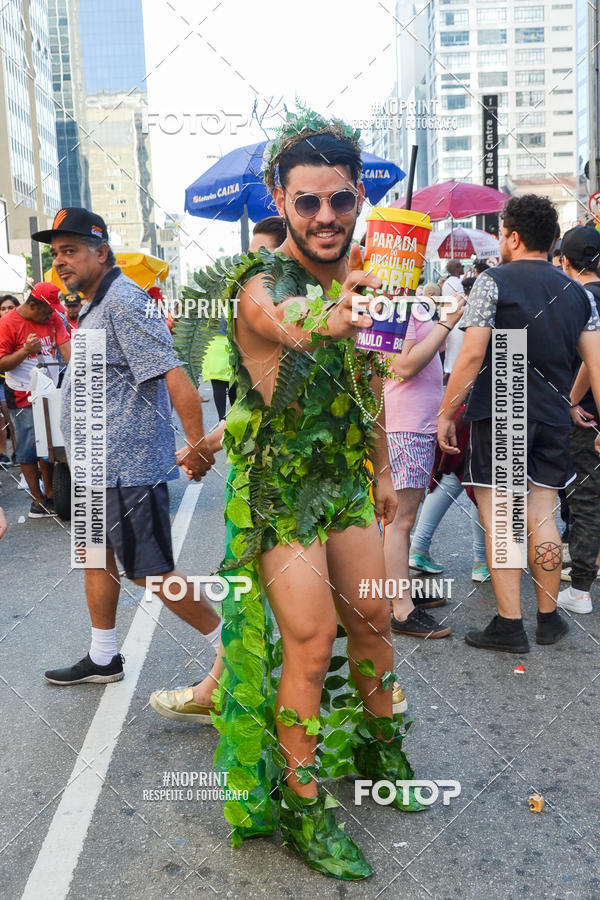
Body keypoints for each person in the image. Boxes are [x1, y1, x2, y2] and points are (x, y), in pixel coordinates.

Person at [153, 111, 424, 880]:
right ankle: (304, 807)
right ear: (281, 199)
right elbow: (281, 323)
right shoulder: (257, 283)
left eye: (339, 200)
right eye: (307, 202)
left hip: (343, 483)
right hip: (280, 498)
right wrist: (331, 315)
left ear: (358, 198)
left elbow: (369, 382)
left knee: (374, 621)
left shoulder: (372, 277)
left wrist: (378, 468)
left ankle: (383, 752)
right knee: (307, 644)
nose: (326, 216)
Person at [31, 207, 221, 687]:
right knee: (94, 557)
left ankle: (233, 650)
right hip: (95, 467)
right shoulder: (93, 303)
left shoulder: (123, 299)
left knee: (149, 572)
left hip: (127, 468)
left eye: (71, 250)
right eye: (56, 254)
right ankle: (103, 657)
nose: (61, 262)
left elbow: (174, 373)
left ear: (101, 252)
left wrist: (197, 446)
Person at [438, 194, 600, 653]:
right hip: (552, 415)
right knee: (544, 515)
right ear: (552, 240)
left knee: (503, 521)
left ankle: (510, 626)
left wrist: (446, 412)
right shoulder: (581, 294)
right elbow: (596, 364)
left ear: (512, 235)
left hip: (503, 409)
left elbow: (471, 355)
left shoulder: (493, 282)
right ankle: (548, 619)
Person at [384, 293, 464, 639]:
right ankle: (401, 609)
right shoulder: (389, 303)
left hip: (413, 422)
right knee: (399, 520)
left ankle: (395, 591)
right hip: (406, 424)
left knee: (398, 520)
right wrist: (446, 322)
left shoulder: (402, 301)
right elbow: (402, 366)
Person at [556, 226, 600, 614]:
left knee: (585, 498)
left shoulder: (579, 297)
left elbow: (592, 356)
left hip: (587, 415)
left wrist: (571, 399)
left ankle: (581, 590)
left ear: (566, 261)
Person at [0, 283, 71, 516]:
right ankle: (37, 499)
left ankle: (52, 492)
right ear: (32, 304)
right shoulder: (8, 323)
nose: (52, 314)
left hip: (51, 390)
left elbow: (67, 350)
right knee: (29, 445)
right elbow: (2, 363)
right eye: (47, 310)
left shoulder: (54, 319)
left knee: (51, 442)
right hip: (22, 392)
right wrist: (25, 350)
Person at [0, 295, 19, 464]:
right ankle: (3, 454)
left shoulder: (20, 326)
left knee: (11, 418)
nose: (6, 311)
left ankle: (17, 453)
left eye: (10, 307)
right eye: (3, 308)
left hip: (13, 380)